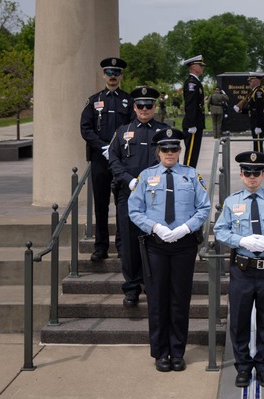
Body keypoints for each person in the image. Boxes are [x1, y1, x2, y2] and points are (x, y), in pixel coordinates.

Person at [128, 128, 211, 372]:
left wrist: (186, 227)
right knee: (157, 299)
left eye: (174, 148)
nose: (170, 153)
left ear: (180, 151)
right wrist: (154, 227)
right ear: (157, 151)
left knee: (179, 299)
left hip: (184, 245)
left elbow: (203, 208)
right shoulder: (145, 176)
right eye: (165, 149)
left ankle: (177, 351)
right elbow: (134, 210)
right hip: (156, 245)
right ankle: (160, 351)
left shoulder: (192, 175)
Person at [214, 151, 264, 388]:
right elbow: (220, 231)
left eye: (256, 172)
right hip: (242, 269)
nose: (252, 177)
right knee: (239, 320)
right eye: (247, 172)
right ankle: (242, 367)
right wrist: (241, 241)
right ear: (240, 174)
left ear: (263, 174)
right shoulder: (231, 202)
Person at [109, 86, 168, 307]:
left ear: (154, 107)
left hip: (155, 195)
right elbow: (113, 159)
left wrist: (148, 181)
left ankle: (151, 284)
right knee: (129, 241)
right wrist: (128, 179)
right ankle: (132, 287)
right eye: (140, 105)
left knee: (155, 239)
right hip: (128, 193)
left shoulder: (163, 132)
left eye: (149, 105)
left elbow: (168, 159)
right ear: (134, 107)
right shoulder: (122, 131)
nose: (144, 109)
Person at [80, 57, 134, 262]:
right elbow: (86, 128)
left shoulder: (128, 101)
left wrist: (115, 149)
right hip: (100, 160)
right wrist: (102, 146)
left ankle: (121, 246)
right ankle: (101, 246)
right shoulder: (94, 101)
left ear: (121, 76)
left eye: (117, 73)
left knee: (122, 204)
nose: (113, 77)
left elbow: (131, 128)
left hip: (121, 161)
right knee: (101, 205)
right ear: (104, 75)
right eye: (109, 73)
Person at [181, 55, 206, 168]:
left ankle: (190, 176)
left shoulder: (196, 82)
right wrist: (192, 124)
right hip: (193, 124)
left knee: (194, 153)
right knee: (191, 154)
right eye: (201, 65)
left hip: (196, 123)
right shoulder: (192, 83)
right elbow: (190, 105)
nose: (202, 68)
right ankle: (187, 178)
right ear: (194, 67)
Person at [234, 73, 264, 152]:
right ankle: (257, 160)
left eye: (251, 81)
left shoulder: (259, 92)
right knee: (256, 144)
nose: (249, 83)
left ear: (256, 81)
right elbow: (252, 109)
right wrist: (240, 110)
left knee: (258, 145)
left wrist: (258, 125)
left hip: (258, 122)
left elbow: (259, 109)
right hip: (254, 121)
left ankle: (259, 161)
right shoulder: (253, 92)